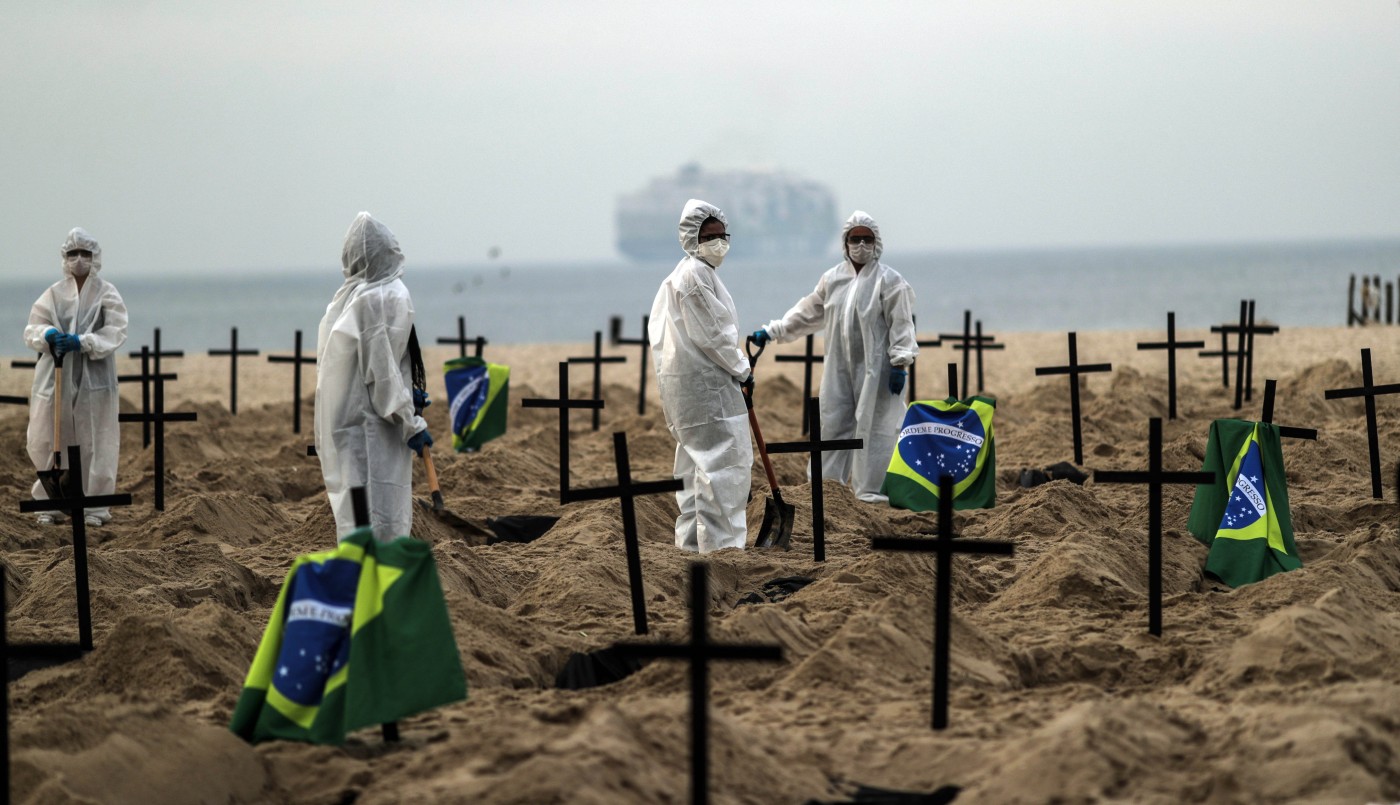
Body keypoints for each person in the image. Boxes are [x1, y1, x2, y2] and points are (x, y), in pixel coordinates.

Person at [751, 211, 917, 504]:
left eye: (867, 239)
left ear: (877, 242)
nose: (861, 245)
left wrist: (900, 363)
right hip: (838, 369)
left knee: (875, 428)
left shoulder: (890, 281)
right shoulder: (833, 279)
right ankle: (827, 491)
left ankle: (870, 493)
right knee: (833, 424)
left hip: (878, 372)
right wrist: (773, 330)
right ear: (845, 242)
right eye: (855, 239)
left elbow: (901, 325)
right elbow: (807, 312)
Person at [315, 212, 431, 543]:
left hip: (346, 424)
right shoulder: (386, 296)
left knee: (356, 510)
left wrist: (409, 392)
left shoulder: (344, 301)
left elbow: (378, 366)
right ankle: (377, 580)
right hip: (373, 425)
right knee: (383, 510)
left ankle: (358, 576)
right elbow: (381, 375)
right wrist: (409, 421)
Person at [649, 199, 753, 553]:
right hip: (709, 393)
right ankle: (721, 550)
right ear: (691, 237)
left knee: (695, 470)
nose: (718, 242)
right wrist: (743, 370)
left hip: (690, 391)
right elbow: (714, 335)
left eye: (723, 235)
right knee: (723, 470)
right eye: (710, 236)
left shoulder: (688, 273)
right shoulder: (693, 277)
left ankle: (692, 546)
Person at [23, 228, 129, 526]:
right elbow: (32, 328)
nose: (79, 259)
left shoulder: (107, 293)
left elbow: (116, 330)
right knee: (47, 436)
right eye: (72, 254)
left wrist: (84, 342)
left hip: (95, 377)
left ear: (95, 258)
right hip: (55, 374)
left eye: (85, 253)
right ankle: (51, 503)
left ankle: (95, 505)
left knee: (96, 437)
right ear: (64, 258)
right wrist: (49, 334)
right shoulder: (53, 294)